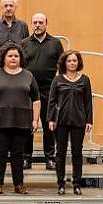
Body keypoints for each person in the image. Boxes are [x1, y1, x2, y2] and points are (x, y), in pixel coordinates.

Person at [0, 43, 41, 195]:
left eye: (16, 56)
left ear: (20, 58)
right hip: (0, 120)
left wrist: (35, 119)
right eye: (10, 56)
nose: (13, 58)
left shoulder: (28, 75)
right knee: (0, 153)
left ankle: (18, 184)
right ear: (4, 58)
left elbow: (36, 99)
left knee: (18, 154)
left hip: (22, 120)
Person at [21, 13, 65, 170]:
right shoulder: (24, 43)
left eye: (41, 22)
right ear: (31, 24)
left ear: (46, 24)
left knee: (49, 126)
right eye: (35, 22)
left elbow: (62, 66)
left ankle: (50, 158)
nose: (38, 25)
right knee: (28, 126)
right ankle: (26, 158)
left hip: (49, 90)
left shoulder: (56, 43)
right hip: (28, 91)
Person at [49, 50, 93, 196]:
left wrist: (89, 120)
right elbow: (52, 101)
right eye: (69, 61)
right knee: (60, 153)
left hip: (79, 121)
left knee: (77, 153)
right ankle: (61, 184)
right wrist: (50, 119)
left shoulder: (85, 80)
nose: (72, 63)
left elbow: (88, 102)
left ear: (78, 62)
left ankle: (77, 184)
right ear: (64, 63)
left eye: (74, 60)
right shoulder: (58, 80)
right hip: (60, 121)